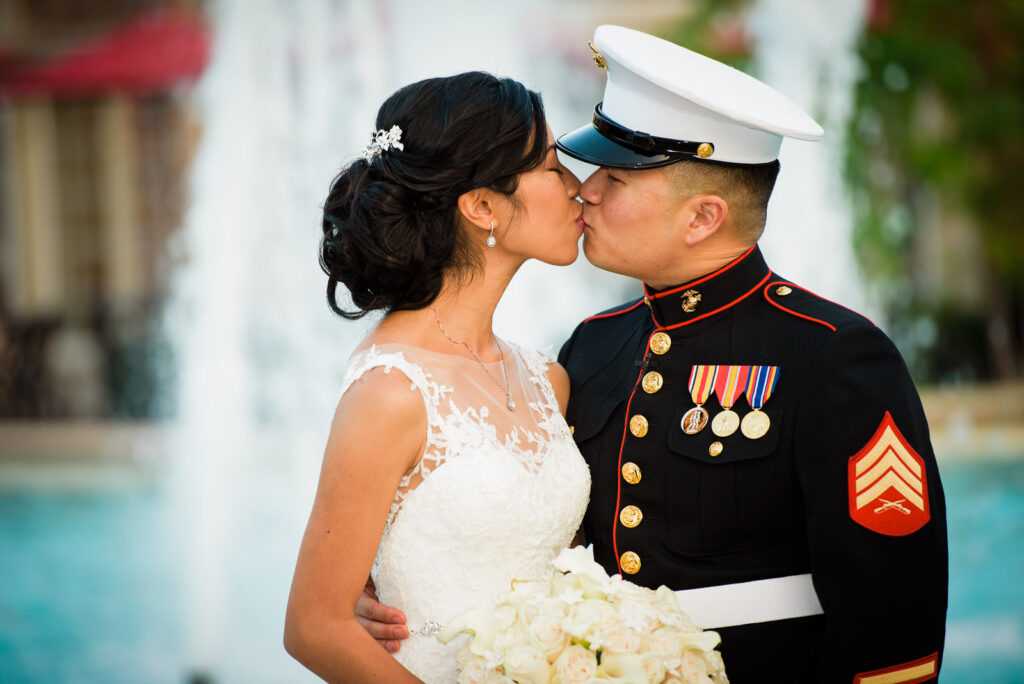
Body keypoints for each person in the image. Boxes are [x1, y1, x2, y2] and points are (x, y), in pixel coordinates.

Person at [358, 26, 949, 684]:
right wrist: (392, 585)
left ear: (701, 218)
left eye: (615, 177)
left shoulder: (833, 359)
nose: (587, 191)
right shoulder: (594, 345)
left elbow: (894, 619)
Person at [283, 71, 590, 683]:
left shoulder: (546, 379)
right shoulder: (390, 394)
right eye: (554, 168)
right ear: (482, 206)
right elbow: (314, 628)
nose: (579, 187)